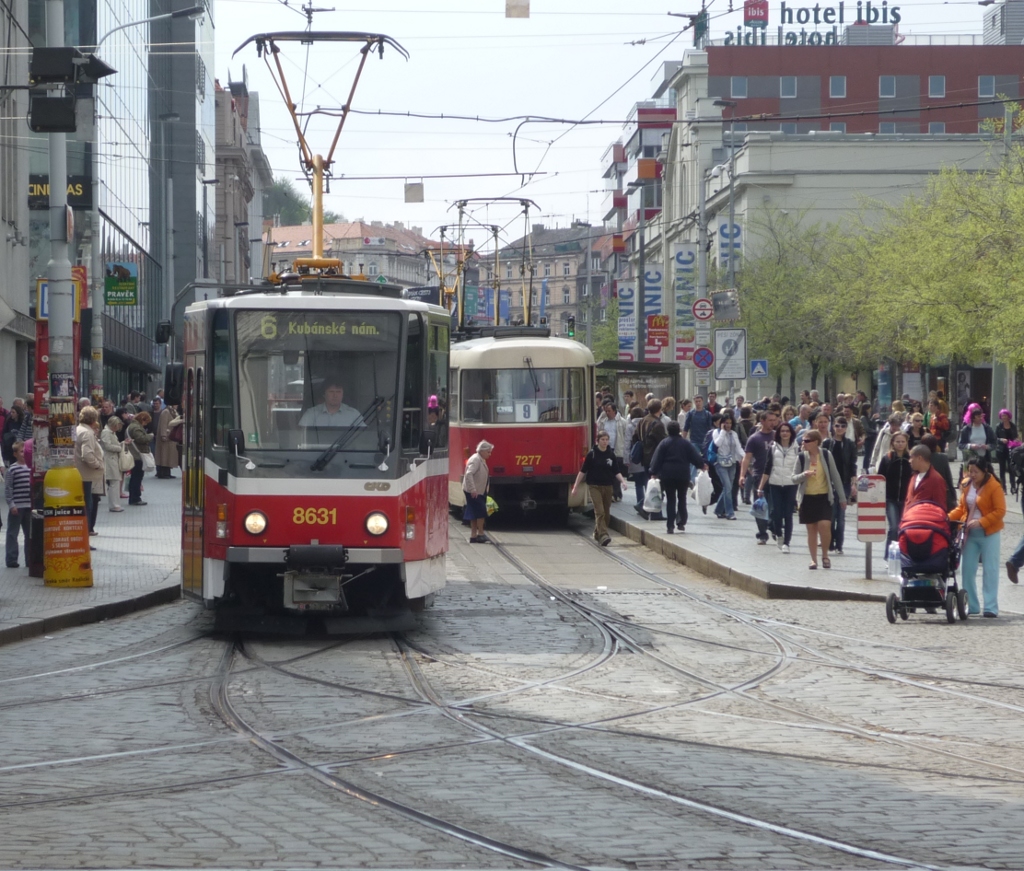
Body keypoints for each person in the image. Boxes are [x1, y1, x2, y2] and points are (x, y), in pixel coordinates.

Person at [950, 457, 1005, 617]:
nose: (972, 474)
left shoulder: (994, 486)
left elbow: (1000, 511)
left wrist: (982, 522)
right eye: (970, 471)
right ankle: (971, 604)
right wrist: (947, 517)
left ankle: (990, 607)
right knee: (967, 569)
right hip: (969, 533)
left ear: (984, 471)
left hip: (989, 533)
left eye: (976, 472)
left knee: (990, 569)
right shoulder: (966, 484)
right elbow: (962, 508)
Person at [792, 429, 847, 570]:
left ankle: (825, 556)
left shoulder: (826, 455)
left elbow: (835, 477)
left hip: (824, 497)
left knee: (824, 525)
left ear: (816, 442)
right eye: (803, 440)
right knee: (811, 529)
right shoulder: (801, 457)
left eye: (806, 440)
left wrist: (842, 497)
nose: (803, 443)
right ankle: (813, 560)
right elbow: (793, 479)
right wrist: (804, 474)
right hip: (807, 498)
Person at [649, 421, 706, 534]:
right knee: (682, 498)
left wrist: (653, 472)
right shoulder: (685, 443)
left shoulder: (664, 443)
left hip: (667, 475)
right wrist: (702, 465)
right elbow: (695, 457)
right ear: (679, 430)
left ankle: (670, 526)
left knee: (671, 500)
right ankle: (681, 522)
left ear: (668, 430)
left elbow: (657, 459)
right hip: (683, 475)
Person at [572, 431, 627, 546]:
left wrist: (622, 481)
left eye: (607, 439)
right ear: (597, 441)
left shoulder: (611, 454)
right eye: (603, 440)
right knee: (599, 511)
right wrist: (575, 486)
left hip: (608, 486)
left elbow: (616, 470)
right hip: (594, 486)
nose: (605, 442)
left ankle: (597, 533)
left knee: (606, 513)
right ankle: (603, 535)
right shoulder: (592, 454)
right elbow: (583, 471)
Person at [740, 408, 779, 545]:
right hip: (759, 476)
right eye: (770, 420)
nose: (773, 423)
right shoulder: (754, 438)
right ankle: (762, 534)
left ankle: (773, 527)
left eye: (774, 420)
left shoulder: (778, 436)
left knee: (775, 506)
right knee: (760, 506)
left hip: (776, 476)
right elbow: (746, 458)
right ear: (762, 421)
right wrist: (742, 475)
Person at [761, 421, 801, 553]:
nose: (785, 433)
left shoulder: (797, 448)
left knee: (788, 514)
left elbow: (800, 468)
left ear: (791, 433)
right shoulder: (773, 447)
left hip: (791, 484)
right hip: (775, 484)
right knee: (776, 512)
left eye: (787, 431)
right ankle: (779, 534)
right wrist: (760, 487)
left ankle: (787, 543)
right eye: (782, 431)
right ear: (778, 433)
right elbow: (767, 468)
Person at [823, 416, 857, 554]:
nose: (840, 428)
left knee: (841, 517)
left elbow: (853, 465)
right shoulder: (827, 443)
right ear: (833, 427)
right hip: (829, 483)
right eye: (837, 426)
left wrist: (854, 484)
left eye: (843, 426)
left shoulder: (849, 444)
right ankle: (831, 543)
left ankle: (839, 545)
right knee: (831, 515)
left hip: (844, 483)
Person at [630, 399, 667, 520]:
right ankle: (649, 509)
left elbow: (634, 437)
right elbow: (663, 443)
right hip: (655, 458)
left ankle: (648, 509)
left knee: (651, 484)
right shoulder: (658, 424)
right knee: (658, 486)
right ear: (659, 410)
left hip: (644, 458)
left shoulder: (642, 421)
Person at [878, 430, 912, 550]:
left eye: (903, 441)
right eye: (897, 441)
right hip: (890, 499)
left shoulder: (911, 459)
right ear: (892, 443)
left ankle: (902, 554)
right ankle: (889, 555)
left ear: (906, 443)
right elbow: (880, 478)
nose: (900, 444)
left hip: (907, 499)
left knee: (904, 527)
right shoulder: (887, 459)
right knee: (893, 527)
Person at [74, 407, 104, 536]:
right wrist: (97, 465)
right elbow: (87, 454)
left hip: (80, 473)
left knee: (87, 503)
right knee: (88, 504)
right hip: (87, 474)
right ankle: (86, 533)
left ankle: (86, 531)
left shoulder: (78, 429)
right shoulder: (87, 432)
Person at [711, 413, 743, 520]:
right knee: (728, 487)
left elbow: (738, 447)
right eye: (726, 423)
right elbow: (717, 444)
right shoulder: (716, 432)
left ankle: (718, 510)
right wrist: (723, 431)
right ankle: (730, 512)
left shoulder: (734, 434)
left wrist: (746, 458)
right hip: (720, 463)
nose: (728, 425)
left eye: (730, 423)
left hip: (732, 463)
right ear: (722, 423)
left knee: (727, 488)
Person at [5, 440, 31, 567]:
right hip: (17, 507)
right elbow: (8, 488)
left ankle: (30, 559)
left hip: (29, 506)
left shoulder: (31, 467)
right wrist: (11, 504)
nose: (23, 453)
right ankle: (11, 559)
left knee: (29, 535)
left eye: (24, 451)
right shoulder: (12, 469)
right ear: (15, 454)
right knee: (12, 533)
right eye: (21, 451)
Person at [462, 440, 493, 543]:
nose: (490, 454)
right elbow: (469, 474)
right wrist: (473, 489)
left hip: (478, 491)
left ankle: (473, 536)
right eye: (488, 452)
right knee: (481, 512)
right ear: (482, 451)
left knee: (474, 513)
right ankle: (481, 534)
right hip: (475, 492)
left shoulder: (480, 459)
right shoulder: (476, 459)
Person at [299, 381, 364, 430]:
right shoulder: (311, 414)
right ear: (324, 394)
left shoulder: (354, 415)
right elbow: (300, 435)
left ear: (343, 394)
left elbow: (364, 437)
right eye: (331, 391)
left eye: (338, 392)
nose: (335, 395)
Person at [919, 434, 958, 511]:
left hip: (924, 494)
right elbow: (948, 477)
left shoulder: (920, 458)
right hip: (942, 493)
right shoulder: (942, 458)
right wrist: (953, 496)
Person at [904, 444, 949, 509]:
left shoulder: (936, 479)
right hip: (908, 517)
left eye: (911, 457)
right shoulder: (913, 477)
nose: (909, 461)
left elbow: (940, 505)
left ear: (919, 458)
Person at [126, 411, 153, 506]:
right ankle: (135, 498)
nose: (146, 424)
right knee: (137, 477)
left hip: (134, 454)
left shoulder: (132, 426)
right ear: (143, 420)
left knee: (135, 477)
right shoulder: (136, 427)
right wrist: (150, 436)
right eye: (146, 422)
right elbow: (141, 439)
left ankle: (134, 497)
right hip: (137, 455)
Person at [100, 416, 127, 512]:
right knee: (114, 482)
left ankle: (115, 504)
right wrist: (120, 447)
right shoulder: (106, 432)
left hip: (113, 459)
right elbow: (107, 446)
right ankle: (114, 505)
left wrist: (123, 443)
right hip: (110, 459)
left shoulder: (110, 432)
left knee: (115, 482)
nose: (118, 428)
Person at [155, 402, 182, 478]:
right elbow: (163, 424)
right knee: (164, 455)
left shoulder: (172, 411)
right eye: (176, 404)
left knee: (168, 456)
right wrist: (163, 435)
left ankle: (167, 472)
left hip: (170, 436)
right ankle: (163, 473)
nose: (177, 406)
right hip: (166, 436)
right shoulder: (166, 412)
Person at [994, 409, 1018, 493]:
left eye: (1005, 415)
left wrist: (1015, 441)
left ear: (1008, 416)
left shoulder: (1013, 426)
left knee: (1012, 468)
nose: (1004, 417)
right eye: (1002, 416)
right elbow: (995, 438)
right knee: (1002, 469)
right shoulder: (998, 426)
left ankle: (1013, 487)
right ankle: (1003, 487)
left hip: (1011, 449)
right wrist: (1001, 440)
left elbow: (1016, 436)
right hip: (1001, 450)